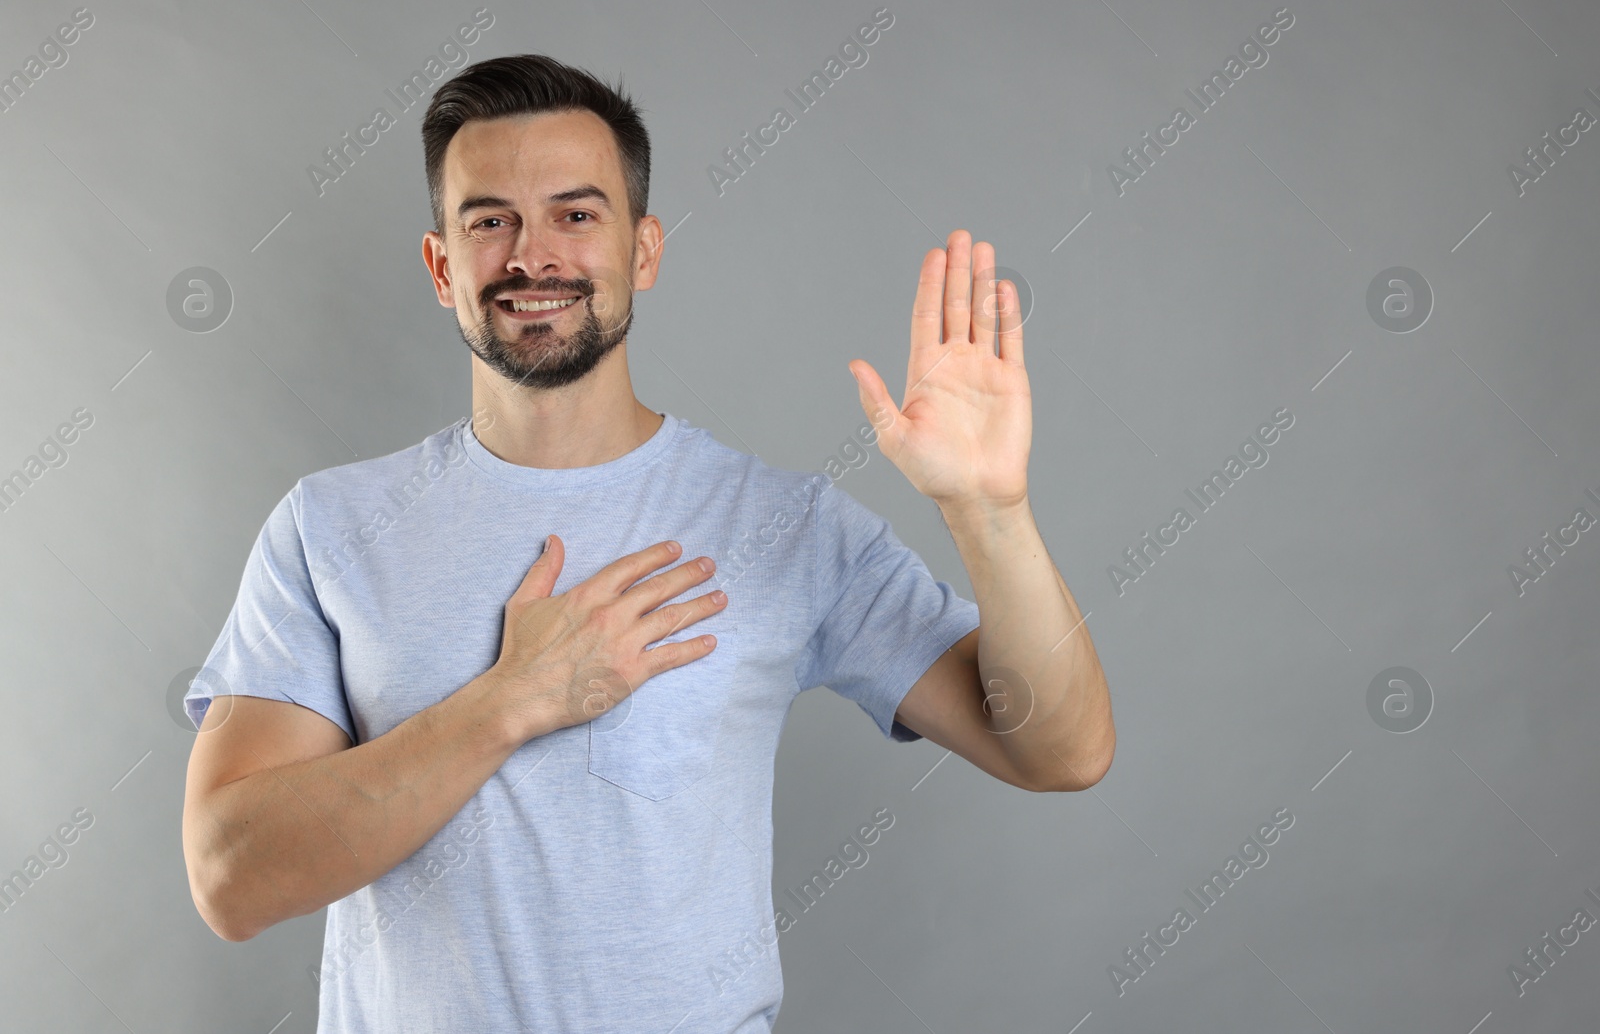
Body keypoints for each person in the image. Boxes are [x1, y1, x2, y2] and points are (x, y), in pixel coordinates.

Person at [179, 53, 1113, 1033]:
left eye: (576, 214)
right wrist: (512, 701)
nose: (531, 256)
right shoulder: (329, 525)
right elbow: (231, 877)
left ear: (644, 248)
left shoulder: (786, 524)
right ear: (442, 264)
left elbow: (1061, 749)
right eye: (489, 218)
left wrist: (988, 511)